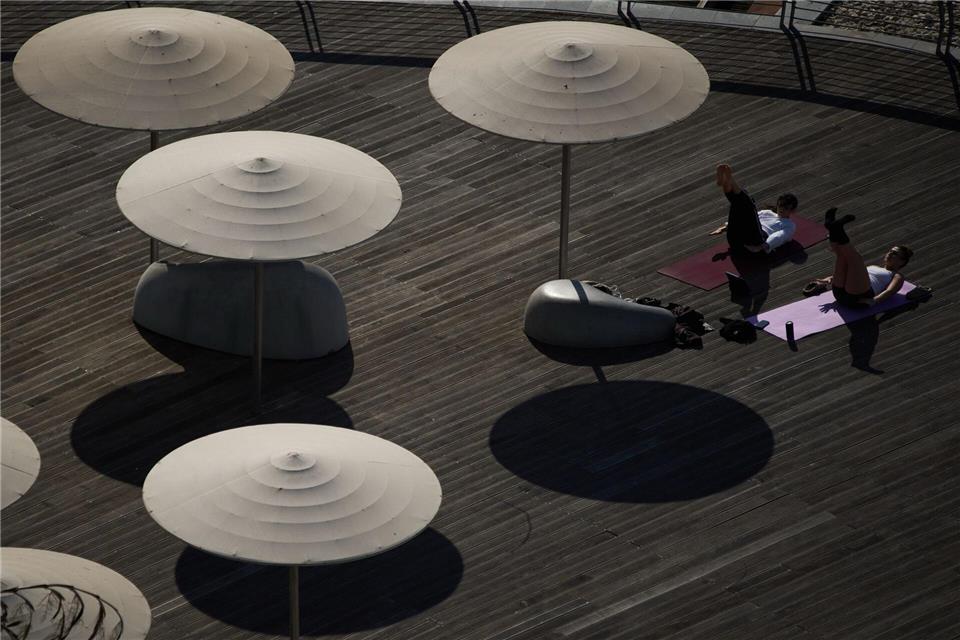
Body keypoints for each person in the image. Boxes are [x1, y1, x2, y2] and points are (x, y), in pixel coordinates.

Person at [812, 208, 912, 308]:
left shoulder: (897, 276)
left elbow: (890, 291)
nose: (889, 254)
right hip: (840, 293)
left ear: (901, 261)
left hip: (859, 298)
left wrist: (874, 301)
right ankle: (832, 228)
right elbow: (851, 275)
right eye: (890, 251)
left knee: (856, 259)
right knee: (842, 256)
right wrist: (830, 279)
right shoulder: (874, 267)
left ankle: (836, 229)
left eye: (894, 253)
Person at [709, 164, 798, 254]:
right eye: (780, 205)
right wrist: (724, 228)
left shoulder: (789, 225)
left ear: (792, 211)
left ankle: (729, 180)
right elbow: (745, 218)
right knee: (737, 205)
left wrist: (762, 246)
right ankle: (726, 183)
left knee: (749, 204)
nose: (782, 209)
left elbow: (780, 236)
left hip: (756, 241)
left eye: (786, 208)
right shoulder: (766, 213)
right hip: (736, 239)